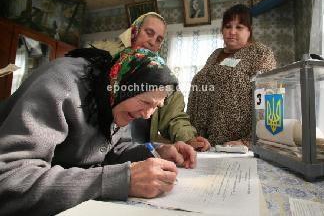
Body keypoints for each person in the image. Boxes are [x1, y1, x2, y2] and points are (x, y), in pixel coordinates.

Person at [0, 47, 197, 215]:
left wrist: (156, 150)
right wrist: (120, 180)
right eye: (145, 102)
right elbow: (9, 180)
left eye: (156, 106)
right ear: (120, 85)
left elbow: (111, 147)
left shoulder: (114, 96)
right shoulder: (62, 86)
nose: (147, 115)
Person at [112, 12, 210, 151]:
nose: (152, 42)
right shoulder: (110, 68)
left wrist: (189, 139)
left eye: (159, 39)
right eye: (148, 32)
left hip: (141, 153)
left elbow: (174, 117)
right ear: (135, 30)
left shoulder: (163, 79)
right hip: (107, 154)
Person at [187, 4, 276, 147]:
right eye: (228, 26)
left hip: (235, 145)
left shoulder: (261, 53)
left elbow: (270, 97)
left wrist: (248, 142)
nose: (232, 32)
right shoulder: (215, 54)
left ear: (249, 31)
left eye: (239, 27)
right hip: (203, 142)